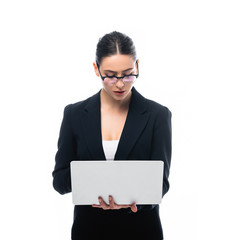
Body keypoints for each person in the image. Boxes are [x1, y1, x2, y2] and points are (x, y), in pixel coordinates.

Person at [52, 31, 172, 239]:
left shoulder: (157, 115)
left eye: (128, 74)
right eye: (110, 75)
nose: (119, 84)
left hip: (142, 230)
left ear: (137, 67)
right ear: (96, 69)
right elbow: (60, 181)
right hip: (89, 231)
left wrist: (133, 202)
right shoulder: (74, 114)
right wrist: (91, 177)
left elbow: (161, 184)